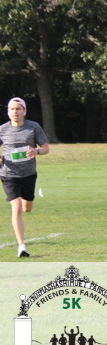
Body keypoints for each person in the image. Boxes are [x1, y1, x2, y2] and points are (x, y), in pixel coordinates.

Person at [0, 97, 50, 257]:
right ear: (8, 112)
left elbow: (46, 148)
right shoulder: (2, 130)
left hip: (28, 174)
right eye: (12, 109)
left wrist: (37, 151)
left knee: (27, 208)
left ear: (24, 111)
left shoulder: (33, 127)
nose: (15, 112)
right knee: (17, 208)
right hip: (8, 175)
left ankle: (24, 205)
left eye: (18, 109)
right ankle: (22, 246)